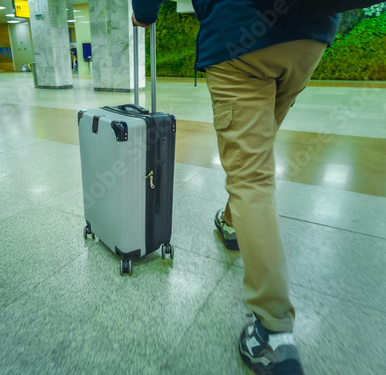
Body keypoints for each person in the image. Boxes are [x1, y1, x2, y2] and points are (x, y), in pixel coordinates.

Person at [132, 1, 338, 374]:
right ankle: (231, 224)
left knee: (251, 176)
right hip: (311, 35)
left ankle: (272, 334)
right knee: (256, 152)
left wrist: (143, 12)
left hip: (240, 37)